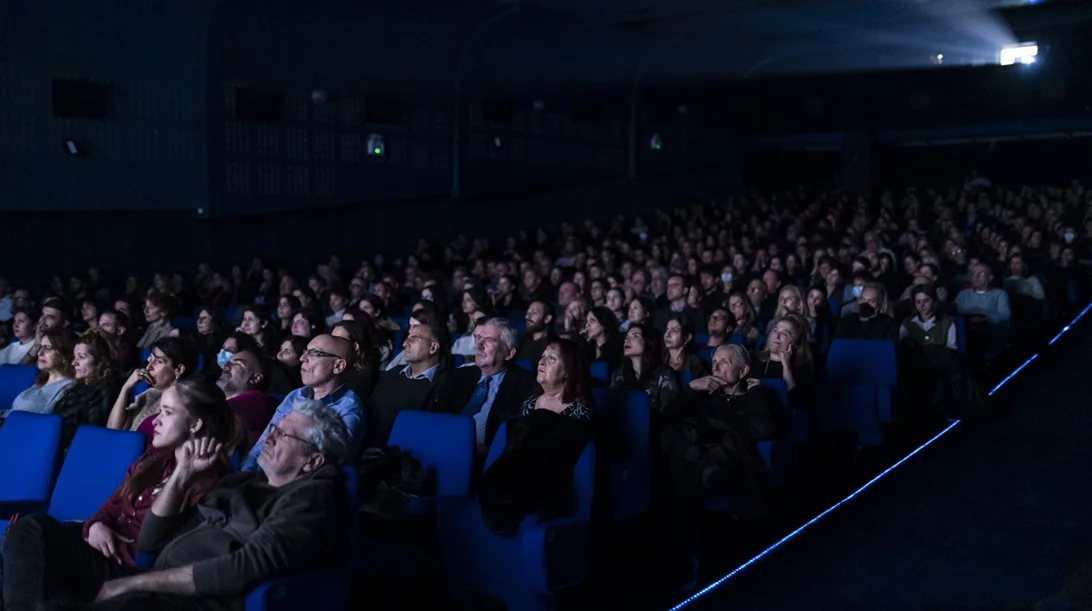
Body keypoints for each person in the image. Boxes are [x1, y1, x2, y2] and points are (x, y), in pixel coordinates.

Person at [1, 400, 348, 610]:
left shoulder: (311, 496)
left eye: (285, 434)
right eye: (273, 427)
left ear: (312, 462)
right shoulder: (242, 481)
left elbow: (248, 565)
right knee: (34, 529)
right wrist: (181, 475)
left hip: (192, 601)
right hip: (149, 575)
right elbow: (151, 544)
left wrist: (133, 585)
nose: (269, 436)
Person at [659, 344, 781, 588]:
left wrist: (755, 392)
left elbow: (764, 430)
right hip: (699, 456)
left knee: (716, 446)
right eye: (715, 362)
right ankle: (687, 560)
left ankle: (688, 563)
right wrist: (691, 388)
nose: (716, 366)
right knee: (670, 434)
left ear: (743, 370)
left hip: (731, 459)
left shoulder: (752, 397)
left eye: (724, 362)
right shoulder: (703, 395)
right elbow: (667, 418)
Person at [477, 338, 594, 536]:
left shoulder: (580, 410)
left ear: (568, 371)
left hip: (550, 484)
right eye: (542, 357)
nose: (542, 362)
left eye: (552, 359)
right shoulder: (530, 403)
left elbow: (561, 462)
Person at [240, 334, 363, 471]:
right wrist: (246, 473)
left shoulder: (349, 408)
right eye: (305, 352)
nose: (302, 358)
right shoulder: (296, 395)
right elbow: (263, 442)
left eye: (314, 353)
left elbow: (327, 462)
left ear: (338, 366)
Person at [432, 318, 537, 452]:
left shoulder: (526, 384)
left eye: (489, 340)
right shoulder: (459, 375)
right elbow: (435, 414)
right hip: (442, 444)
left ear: (509, 354)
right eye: (479, 338)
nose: (478, 345)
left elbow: (520, 436)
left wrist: (492, 450)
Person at [363, 321, 447, 448]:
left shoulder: (445, 383)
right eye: (407, 338)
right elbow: (369, 410)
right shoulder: (393, 373)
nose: (405, 344)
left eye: (413, 339)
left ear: (433, 347)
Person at [107, 337, 196, 438]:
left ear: (179, 370)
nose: (149, 366)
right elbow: (112, 431)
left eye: (158, 362)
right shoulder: (149, 395)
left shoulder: (183, 405)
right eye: (150, 359)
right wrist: (125, 388)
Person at [50, 330, 121, 447]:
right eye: (74, 357)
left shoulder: (106, 389)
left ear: (99, 362)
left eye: (81, 357)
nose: (73, 363)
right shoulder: (78, 387)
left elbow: (91, 433)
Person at [215, 349, 277, 447]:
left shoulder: (255, 401)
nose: (225, 366)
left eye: (237, 364)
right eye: (228, 362)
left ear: (255, 378)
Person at [610, 323, 678, 412]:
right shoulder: (618, 373)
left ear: (648, 342)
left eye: (635, 336)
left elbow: (669, 412)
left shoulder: (664, 373)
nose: (627, 340)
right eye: (626, 337)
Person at [8, 328, 76, 416]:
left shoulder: (68, 388)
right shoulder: (40, 380)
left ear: (63, 354)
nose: (40, 353)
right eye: (40, 347)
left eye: (47, 348)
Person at [751, 314, 815, 405]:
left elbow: (795, 400)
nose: (777, 335)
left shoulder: (802, 366)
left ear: (796, 344)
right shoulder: (753, 357)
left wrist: (787, 366)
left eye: (785, 333)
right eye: (775, 330)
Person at [834, 283, 899, 343]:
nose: (865, 304)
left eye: (871, 301)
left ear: (879, 304)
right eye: (863, 299)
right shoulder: (846, 322)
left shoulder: (889, 325)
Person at [663, 314, 709, 380]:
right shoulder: (659, 360)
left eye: (674, 330)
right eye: (667, 329)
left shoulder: (696, 364)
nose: (667, 334)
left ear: (687, 337)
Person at [515, 300, 554, 365]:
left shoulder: (552, 346)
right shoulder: (519, 339)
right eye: (527, 313)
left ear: (547, 319)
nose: (527, 317)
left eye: (534, 313)